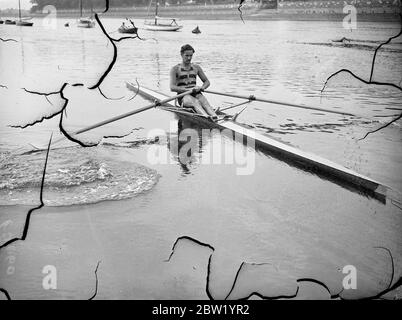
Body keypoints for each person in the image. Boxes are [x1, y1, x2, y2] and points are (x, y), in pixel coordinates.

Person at [170, 44, 218, 121]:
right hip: (183, 96)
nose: (189, 58)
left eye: (191, 55)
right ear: (181, 54)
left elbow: (207, 82)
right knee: (195, 101)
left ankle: (215, 117)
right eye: (186, 55)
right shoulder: (175, 69)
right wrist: (187, 90)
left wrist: (202, 88)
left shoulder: (196, 67)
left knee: (204, 101)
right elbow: (172, 87)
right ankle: (206, 118)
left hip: (196, 93)